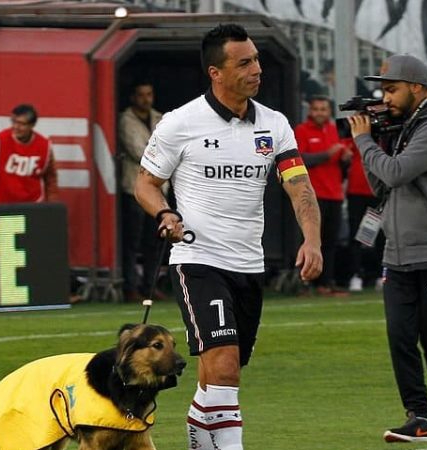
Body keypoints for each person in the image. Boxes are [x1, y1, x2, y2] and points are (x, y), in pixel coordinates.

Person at [136, 24, 323, 450]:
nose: (256, 69)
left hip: (248, 265)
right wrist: (165, 212)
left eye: (256, 59)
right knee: (224, 368)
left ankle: (200, 439)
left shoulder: (274, 125)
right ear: (215, 72)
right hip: (198, 259)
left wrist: (311, 239)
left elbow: (299, 186)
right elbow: (145, 183)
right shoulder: (180, 123)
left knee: (220, 374)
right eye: (244, 62)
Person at [348, 54, 427, 443]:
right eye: (383, 89)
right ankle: (418, 415)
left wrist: (365, 140)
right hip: (398, 253)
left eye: (392, 88)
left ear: (416, 87)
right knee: (400, 336)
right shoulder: (405, 127)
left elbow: (396, 171)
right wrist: (374, 141)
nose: (385, 97)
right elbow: (383, 185)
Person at [294, 95, 351, 296]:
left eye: (323, 109)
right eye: (316, 109)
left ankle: (325, 283)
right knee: (309, 240)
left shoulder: (336, 131)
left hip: (334, 193)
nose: (319, 112)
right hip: (312, 195)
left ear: (329, 112)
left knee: (330, 242)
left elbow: (343, 166)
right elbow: (300, 159)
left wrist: (345, 159)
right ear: (310, 111)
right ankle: (304, 283)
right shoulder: (301, 131)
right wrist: (328, 153)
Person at [118, 80, 164, 302]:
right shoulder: (125, 120)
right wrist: (164, 156)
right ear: (133, 97)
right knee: (132, 242)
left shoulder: (160, 117)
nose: (146, 99)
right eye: (141, 95)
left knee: (154, 242)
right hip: (134, 188)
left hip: (160, 188)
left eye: (149, 94)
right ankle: (131, 286)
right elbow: (139, 151)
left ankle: (150, 286)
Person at [345, 139, 385, 292]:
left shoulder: (383, 138)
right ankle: (356, 275)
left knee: (380, 235)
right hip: (356, 193)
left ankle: (381, 274)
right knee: (357, 235)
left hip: (377, 192)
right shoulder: (354, 138)